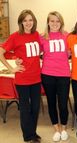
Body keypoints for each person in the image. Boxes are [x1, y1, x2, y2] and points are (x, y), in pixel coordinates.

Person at [0, 9, 42, 143]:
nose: (28, 23)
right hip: (22, 79)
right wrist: (12, 68)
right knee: (25, 109)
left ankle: (33, 132)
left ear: (34, 21)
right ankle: (27, 137)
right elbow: (0, 52)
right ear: (21, 22)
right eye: (25, 20)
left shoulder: (37, 35)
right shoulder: (15, 36)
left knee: (35, 108)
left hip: (36, 78)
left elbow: (42, 50)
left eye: (30, 20)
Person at [40, 11, 70, 142]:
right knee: (51, 103)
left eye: (57, 21)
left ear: (61, 23)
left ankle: (64, 128)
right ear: (48, 22)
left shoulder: (67, 36)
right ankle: (56, 129)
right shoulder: (42, 37)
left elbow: (72, 51)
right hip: (47, 74)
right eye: (52, 21)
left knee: (63, 104)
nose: (55, 24)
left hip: (63, 74)